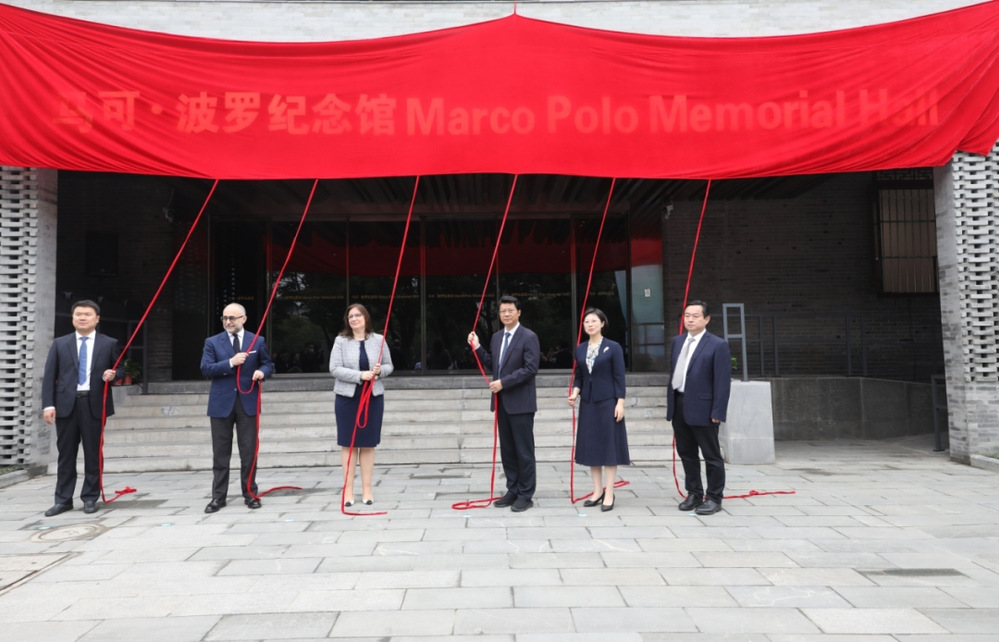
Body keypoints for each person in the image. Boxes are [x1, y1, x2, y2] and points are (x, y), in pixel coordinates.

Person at [41, 300, 123, 516]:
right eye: (78, 314)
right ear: (73, 318)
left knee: (93, 453)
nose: (82, 317)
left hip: (93, 404)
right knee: (66, 454)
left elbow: (120, 369)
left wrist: (113, 374)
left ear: (97, 319)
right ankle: (63, 500)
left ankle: (90, 497)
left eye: (87, 314)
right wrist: (48, 405)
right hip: (65, 405)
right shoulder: (60, 344)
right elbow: (49, 377)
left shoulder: (109, 343)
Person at [468, 295, 541, 512]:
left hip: (521, 403)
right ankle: (513, 490)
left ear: (519, 312)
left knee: (524, 451)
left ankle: (526, 494)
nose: (506, 314)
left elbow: (530, 369)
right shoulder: (497, 337)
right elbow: (494, 365)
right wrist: (477, 347)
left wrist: (503, 383)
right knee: (508, 450)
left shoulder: (529, 336)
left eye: (510, 310)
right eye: (502, 311)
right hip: (502, 403)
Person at [200, 303, 274, 513]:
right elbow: (205, 369)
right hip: (221, 404)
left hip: (247, 402)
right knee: (220, 454)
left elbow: (268, 364)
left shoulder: (257, 340)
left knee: (249, 452)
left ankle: (250, 494)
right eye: (225, 318)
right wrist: (231, 362)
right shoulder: (212, 342)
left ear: (244, 319)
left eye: (232, 318)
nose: (228, 322)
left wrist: (262, 372)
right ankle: (218, 497)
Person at [666, 300, 732, 516]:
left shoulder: (717, 345)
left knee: (711, 455)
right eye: (687, 315)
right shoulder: (677, 342)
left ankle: (714, 497)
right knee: (687, 453)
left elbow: (722, 382)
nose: (690, 319)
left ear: (706, 319)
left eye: (695, 316)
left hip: (704, 408)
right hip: (680, 404)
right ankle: (694, 493)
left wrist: (718, 411)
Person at [329, 303, 394, 507]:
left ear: (365, 318)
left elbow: (389, 366)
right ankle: (348, 490)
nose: (354, 319)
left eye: (358, 315)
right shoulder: (340, 341)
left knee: (367, 443)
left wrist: (379, 372)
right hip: (347, 398)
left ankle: (367, 489)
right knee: (348, 443)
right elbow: (334, 368)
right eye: (350, 316)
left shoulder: (379, 340)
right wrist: (360, 375)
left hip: (372, 397)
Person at [568, 308, 629, 512]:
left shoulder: (613, 347)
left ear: (602, 323)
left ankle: (609, 492)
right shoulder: (580, 349)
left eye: (594, 321)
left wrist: (620, 403)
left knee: (609, 448)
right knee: (592, 448)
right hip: (588, 403)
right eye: (586, 322)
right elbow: (579, 376)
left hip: (608, 402)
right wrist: (574, 393)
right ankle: (597, 491)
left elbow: (619, 377)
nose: (590, 324)